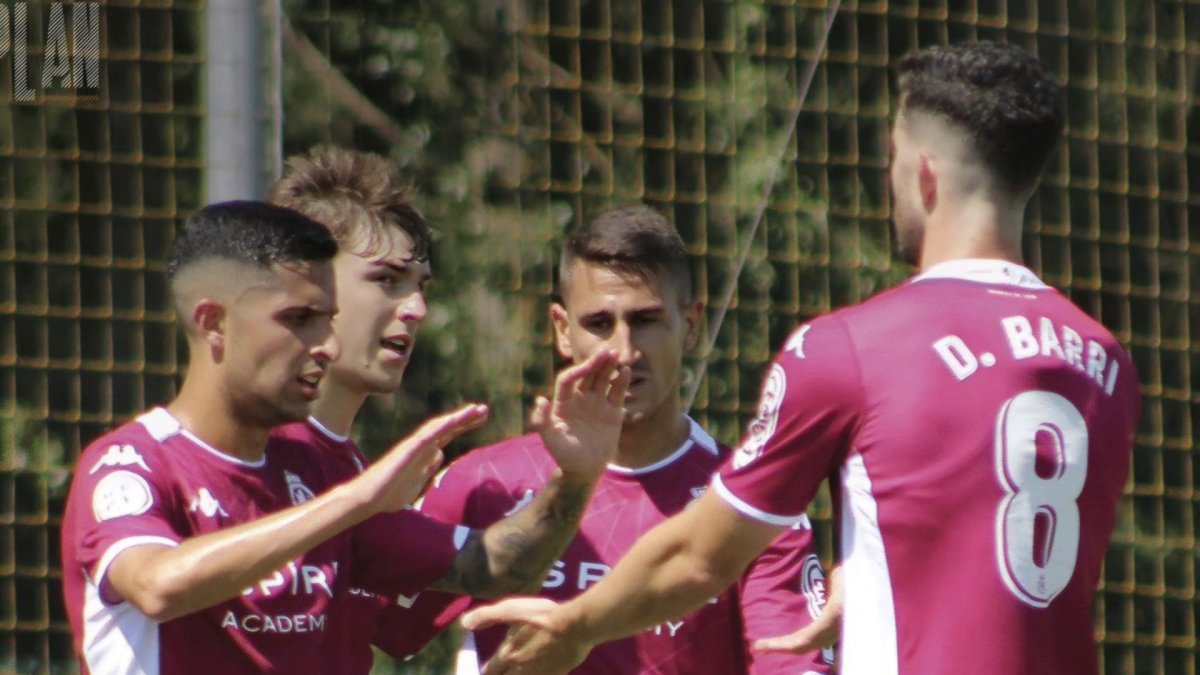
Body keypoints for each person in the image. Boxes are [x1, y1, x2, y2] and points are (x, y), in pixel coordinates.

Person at [462, 41, 1142, 675]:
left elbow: (699, 557)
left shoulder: (852, 347)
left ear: (925, 177)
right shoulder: (1105, 364)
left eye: (893, 161)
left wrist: (575, 626)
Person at [60, 201, 629, 674]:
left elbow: (495, 567)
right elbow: (159, 585)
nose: (326, 345)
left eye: (327, 320)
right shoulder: (130, 463)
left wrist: (576, 477)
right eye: (298, 320)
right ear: (215, 323)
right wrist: (356, 502)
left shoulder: (321, 473)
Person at [391, 205, 834, 674]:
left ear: (691, 325)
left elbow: (793, 666)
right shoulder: (483, 485)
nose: (623, 353)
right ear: (563, 330)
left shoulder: (749, 505)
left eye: (645, 321)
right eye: (599, 324)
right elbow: (366, 632)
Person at [264, 146, 634, 674]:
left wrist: (576, 476)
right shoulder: (235, 449)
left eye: (420, 288)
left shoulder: (349, 474)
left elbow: (493, 566)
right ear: (305, 285)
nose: (416, 309)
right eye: (386, 280)